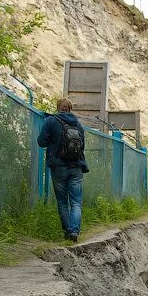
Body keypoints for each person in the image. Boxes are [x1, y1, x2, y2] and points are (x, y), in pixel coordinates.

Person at [38, 98, 88, 242]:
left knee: (62, 202)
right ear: (70, 109)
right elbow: (82, 147)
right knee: (76, 202)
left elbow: (41, 142)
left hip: (58, 166)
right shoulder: (78, 125)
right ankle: (74, 231)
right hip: (76, 167)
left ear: (58, 108)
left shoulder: (51, 121)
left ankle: (68, 233)